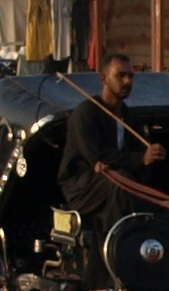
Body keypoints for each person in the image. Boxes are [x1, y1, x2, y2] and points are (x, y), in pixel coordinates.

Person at [60, 54, 160, 227]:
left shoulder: (131, 117)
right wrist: (140, 159)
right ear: (103, 79)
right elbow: (96, 155)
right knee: (121, 182)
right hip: (83, 186)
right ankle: (115, 242)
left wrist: (150, 157)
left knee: (133, 183)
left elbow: (140, 153)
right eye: (120, 76)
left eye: (130, 76)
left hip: (119, 178)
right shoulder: (86, 113)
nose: (127, 81)